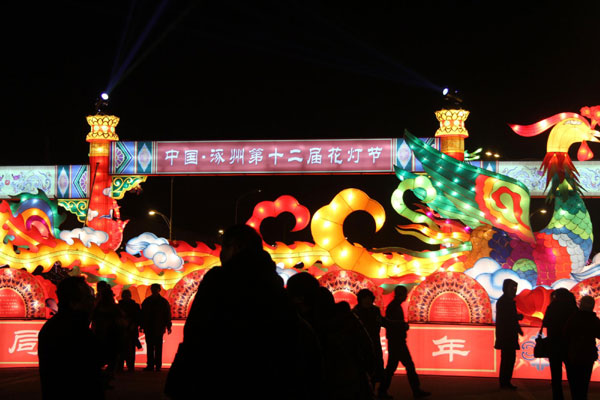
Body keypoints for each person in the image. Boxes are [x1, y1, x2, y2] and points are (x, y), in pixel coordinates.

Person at [165, 224, 323, 400]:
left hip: (219, 378)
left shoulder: (219, 280)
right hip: (265, 381)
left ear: (238, 247)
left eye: (225, 247)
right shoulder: (274, 284)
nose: (221, 254)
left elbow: (197, 333)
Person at [38, 276, 106, 400]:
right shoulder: (73, 329)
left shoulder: (57, 325)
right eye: (88, 297)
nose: (92, 302)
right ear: (73, 303)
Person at [378, 285, 430, 399]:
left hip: (395, 341)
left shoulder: (394, 306)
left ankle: (382, 391)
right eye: (405, 294)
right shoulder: (394, 307)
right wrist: (403, 326)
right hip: (397, 342)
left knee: (392, 367)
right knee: (407, 366)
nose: (406, 296)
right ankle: (415, 390)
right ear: (400, 294)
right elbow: (392, 324)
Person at [543, 287, 578, 400]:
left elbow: (546, 323)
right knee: (572, 374)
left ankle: (558, 397)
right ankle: (575, 396)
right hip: (569, 345)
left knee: (556, 375)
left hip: (554, 344)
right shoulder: (572, 307)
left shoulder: (552, 307)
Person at [564, 295, 600, 400]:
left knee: (574, 381)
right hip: (588, 353)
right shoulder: (594, 320)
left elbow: (566, 333)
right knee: (584, 381)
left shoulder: (573, 317)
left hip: (573, 353)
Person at [91, 282, 127, 377]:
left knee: (103, 357)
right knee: (112, 357)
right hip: (110, 335)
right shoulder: (113, 308)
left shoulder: (99, 307)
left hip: (104, 334)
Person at [353, 288, 385, 390]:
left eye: (369, 298)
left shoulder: (375, 310)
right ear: (360, 299)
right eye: (364, 298)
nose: (367, 301)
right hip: (360, 346)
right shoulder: (355, 313)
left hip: (374, 344)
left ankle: (373, 390)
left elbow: (383, 322)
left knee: (376, 369)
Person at [494, 278, 523, 390]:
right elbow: (508, 318)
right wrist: (517, 318)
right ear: (506, 288)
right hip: (507, 335)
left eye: (515, 288)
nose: (514, 290)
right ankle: (505, 381)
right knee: (508, 359)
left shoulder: (505, 301)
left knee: (508, 359)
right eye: (512, 288)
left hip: (507, 334)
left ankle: (505, 381)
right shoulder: (505, 301)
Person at [141, 283, 172, 372]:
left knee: (156, 347)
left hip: (157, 327)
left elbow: (167, 315)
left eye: (155, 289)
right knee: (151, 347)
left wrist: (168, 325)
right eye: (153, 289)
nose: (154, 290)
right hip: (152, 327)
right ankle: (152, 365)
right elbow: (143, 314)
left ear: (158, 290)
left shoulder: (158, 301)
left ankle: (156, 365)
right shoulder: (159, 301)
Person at [118, 288, 141, 372]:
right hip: (130, 330)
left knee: (123, 349)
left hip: (124, 330)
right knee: (129, 350)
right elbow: (138, 318)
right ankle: (129, 366)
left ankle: (122, 366)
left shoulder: (119, 306)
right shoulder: (135, 306)